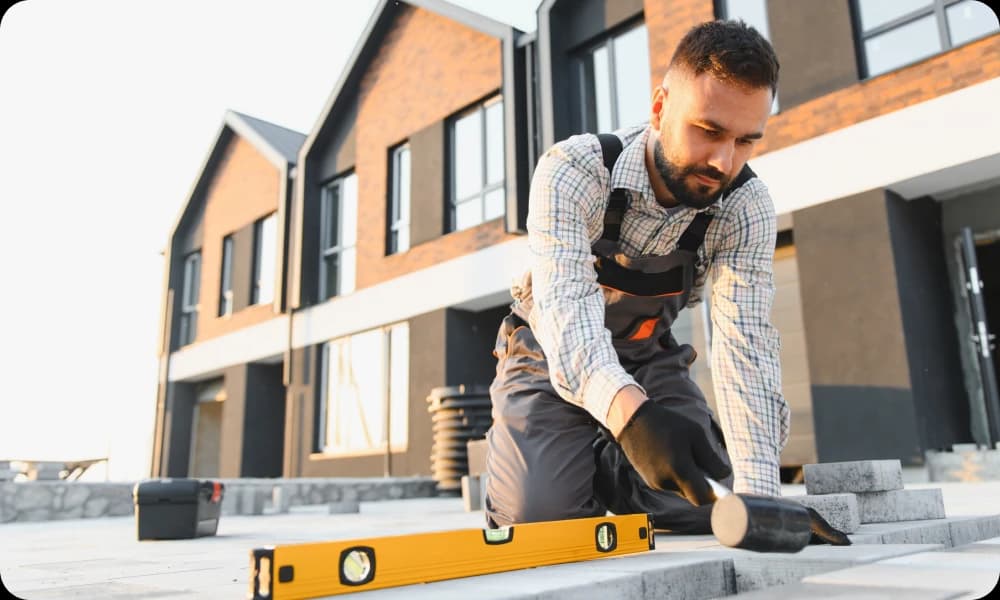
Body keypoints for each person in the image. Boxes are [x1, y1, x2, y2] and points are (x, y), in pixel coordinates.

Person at [484, 19, 848, 543]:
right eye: (709, 131)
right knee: (541, 522)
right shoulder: (574, 171)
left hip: (647, 355)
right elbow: (566, 317)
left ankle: (615, 469)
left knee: (711, 499)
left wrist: (760, 498)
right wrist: (633, 419)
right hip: (546, 353)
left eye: (747, 140)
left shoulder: (744, 207)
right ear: (659, 107)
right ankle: (563, 460)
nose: (725, 162)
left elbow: (744, 348)